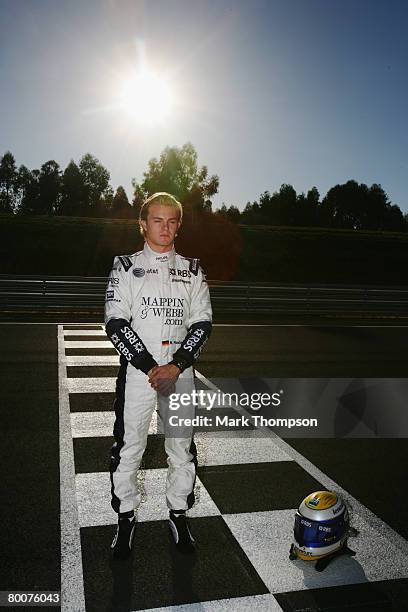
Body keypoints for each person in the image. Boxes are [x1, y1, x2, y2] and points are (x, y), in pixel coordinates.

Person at [105, 192, 212, 560]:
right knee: (129, 448)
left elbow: (203, 323)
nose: (164, 228)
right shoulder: (124, 266)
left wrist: (176, 365)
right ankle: (125, 517)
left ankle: (178, 514)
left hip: (180, 372)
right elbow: (115, 322)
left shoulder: (194, 269)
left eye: (171, 221)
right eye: (157, 220)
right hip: (139, 374)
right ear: (142, 224)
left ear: (178, 225)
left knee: (181, 448)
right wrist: (152, 367)